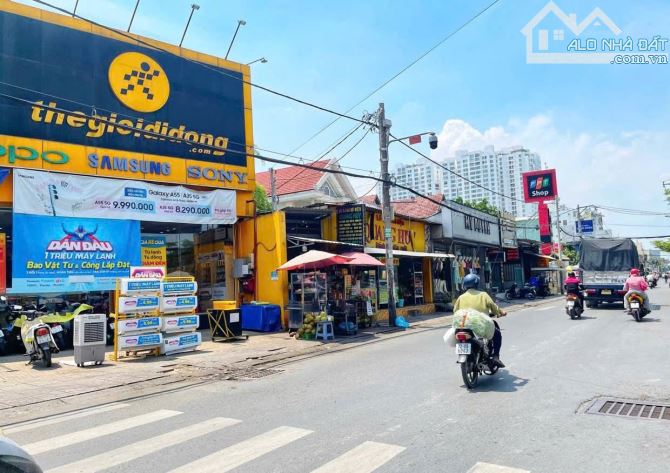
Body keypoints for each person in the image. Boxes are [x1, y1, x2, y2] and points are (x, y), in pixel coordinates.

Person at [453, 273, 507, 368]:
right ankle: (495, 357)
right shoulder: (483, 295)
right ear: (477, 284)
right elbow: (493, 306)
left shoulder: (461, 297)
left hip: (462, 325)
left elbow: (455, 311)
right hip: (479, 325)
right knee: (497, 334)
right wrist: (500, 313)